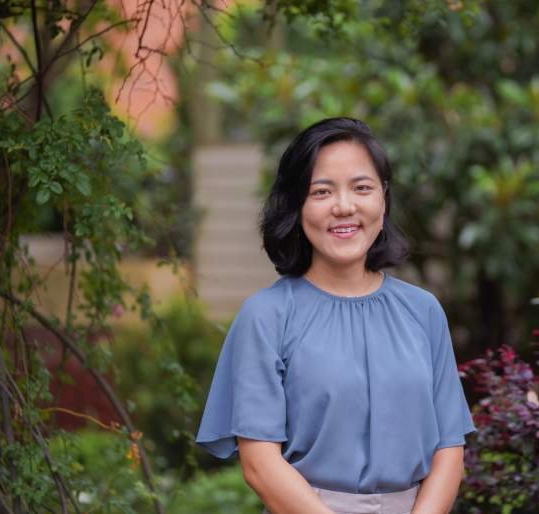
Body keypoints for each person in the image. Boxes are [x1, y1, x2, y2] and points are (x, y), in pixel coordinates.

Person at [195, 117, 476, 514]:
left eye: (362, 188)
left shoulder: (423, 311)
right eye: (322, 192)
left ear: (383, 197)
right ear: (297, 205)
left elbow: (450, 446)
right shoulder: (266, 316)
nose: (345, 207)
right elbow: (259, 463)